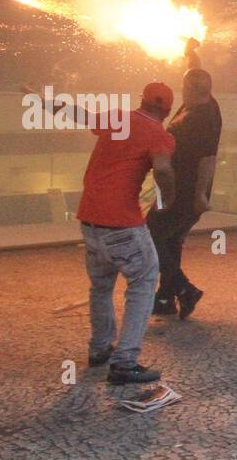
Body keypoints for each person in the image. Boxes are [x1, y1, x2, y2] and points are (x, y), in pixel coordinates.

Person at [52, 82, 176, 384]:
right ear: (168, 111)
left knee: (101, 285)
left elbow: (77, 114)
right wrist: (168, 197)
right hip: (122, 223)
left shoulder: (117, 117)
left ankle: (99, 348)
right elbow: (161, 168)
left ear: (141, 101)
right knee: (144, 280)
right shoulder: (161, 135)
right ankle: (124, 362)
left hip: (90, 220)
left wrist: (44, 101)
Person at [148, 38, 222, 320]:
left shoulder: (203, 118)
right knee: (171, 240)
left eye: (183, 87)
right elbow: (196, 73)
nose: (181, 90)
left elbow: (208, 159)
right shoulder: (203, 100)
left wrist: (200, 195)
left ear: (190, 89)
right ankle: (166, 298)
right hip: (176, 190)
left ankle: (183, 288)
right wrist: (191, 53)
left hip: (184, 193)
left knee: (152, 234)